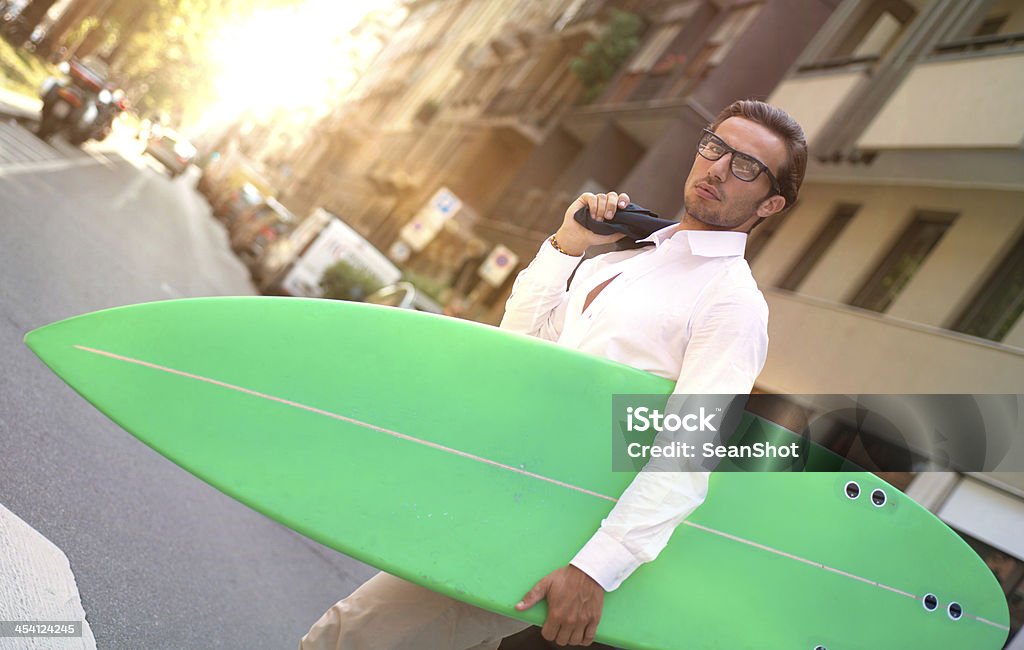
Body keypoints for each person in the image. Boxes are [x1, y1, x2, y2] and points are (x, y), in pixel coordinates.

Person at [301, 99, 807, 650]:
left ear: (771, 202)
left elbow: (689, 452)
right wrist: (567, 246)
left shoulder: (732, 303)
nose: (717, 168)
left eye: (746, 167)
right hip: (498, 495)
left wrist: (597, 569)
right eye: (716, 148)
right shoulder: (624, 258)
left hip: (545, 533)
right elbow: (520, 354)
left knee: (347, 637)